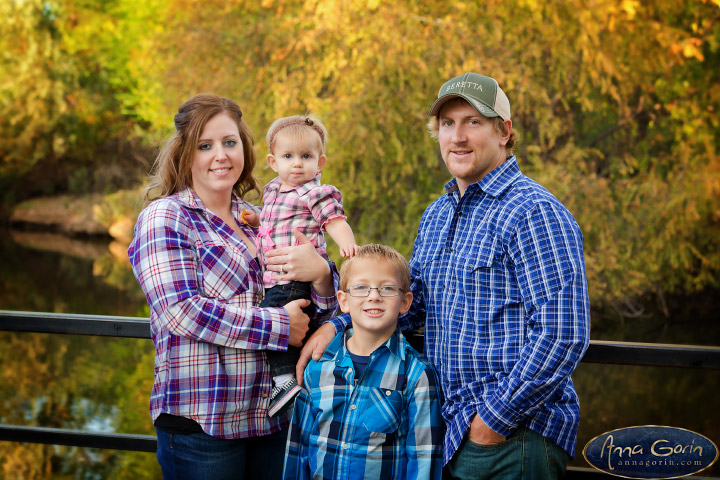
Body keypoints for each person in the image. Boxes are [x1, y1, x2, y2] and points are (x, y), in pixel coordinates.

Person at [298, 73, 591, 480]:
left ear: (504, 132)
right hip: (448, 430)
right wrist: (340, 324)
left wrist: (493, 421)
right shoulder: (437, 215)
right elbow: (410, 305)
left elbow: (563, 332)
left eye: (473, 122)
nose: (458, 137)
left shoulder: (533, 211)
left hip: (512, 437)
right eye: (448, 124)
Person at [127, 94, 338, 480]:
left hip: (272, 420)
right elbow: (181, 312)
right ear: (185, 153)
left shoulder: (260, 218)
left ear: (245, 148)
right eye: (205, 146)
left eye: (229, 142)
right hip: (204, 424)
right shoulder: (166, 217)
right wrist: (278, 326)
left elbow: (315, 309)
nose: (220, 155)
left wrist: (322, 272)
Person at [283, 244, 443, 480]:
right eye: (361, 287)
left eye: (387, 288)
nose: (374, 296)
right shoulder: (318, 368)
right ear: (344, 301)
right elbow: (299, 449)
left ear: (405, 302)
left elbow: (423, 462)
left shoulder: (417, 374)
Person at [241, 114, 359, 417]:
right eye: (288, 156)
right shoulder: (273, 191)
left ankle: (284, 380)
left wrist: (347, 242)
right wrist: (256, 218)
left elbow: (334, 220)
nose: (297, 164)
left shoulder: (315, 193)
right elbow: (271, 218)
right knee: (284, 325)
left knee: (271, 320)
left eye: (306, 157)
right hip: (277, 276)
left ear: (319, 162)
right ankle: (291, 379)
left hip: (294, 277)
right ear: (273, 161)